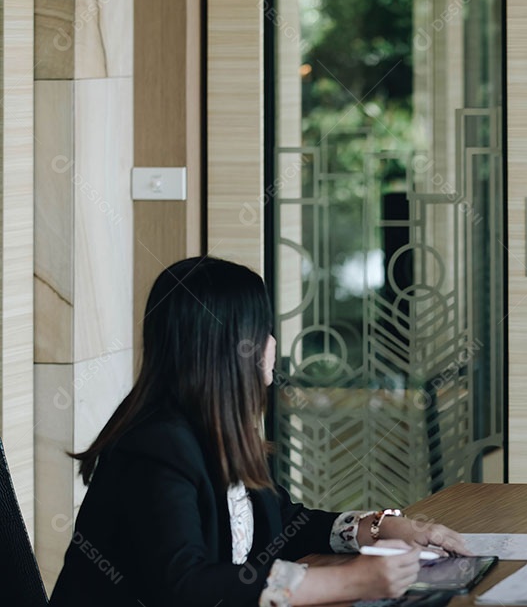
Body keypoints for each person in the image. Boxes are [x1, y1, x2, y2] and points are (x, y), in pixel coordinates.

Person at [50, 257, 469, 607]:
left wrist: (380, 528)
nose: (271, 344)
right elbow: (183, 586)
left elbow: (283, 525)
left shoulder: (219, 430)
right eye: (262, 330)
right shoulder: (155, 446)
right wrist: (350, 582)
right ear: (231, 345)